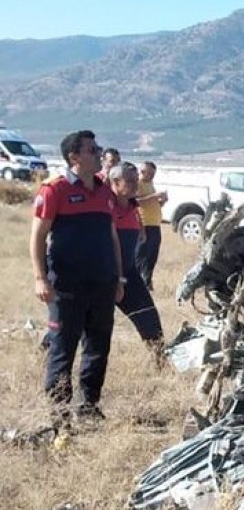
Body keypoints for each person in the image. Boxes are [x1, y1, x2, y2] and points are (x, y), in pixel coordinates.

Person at [30, 130, 124, 422]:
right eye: (92, 149)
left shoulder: (104, 190)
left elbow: (112, 237)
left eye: (97, 148)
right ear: (74, 156)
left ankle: (89, 407)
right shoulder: (53, 190)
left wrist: (119, 278)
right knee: (62, 350)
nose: (98, 153)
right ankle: (59, 417)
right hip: (66, 287)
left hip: (102, 284)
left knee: (98, 348)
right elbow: (37, 236)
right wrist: (40, 278)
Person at [107, 164, 166, 362]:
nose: (136, 185)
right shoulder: (104, 206)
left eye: (136, 180)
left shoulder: (133, 207)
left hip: (129, 274)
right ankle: (47, 347)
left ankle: (161, 361)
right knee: (78, 324)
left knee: (148, 317)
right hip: (104, 275)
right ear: (115, 182)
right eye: (130, 181)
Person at [135, 160, 168, 291]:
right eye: (149, 173)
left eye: (153, 174)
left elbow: (151, 202)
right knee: (141, 256)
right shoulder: (137, 184)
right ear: (142, 172)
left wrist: (161, 202)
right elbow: (136, 201)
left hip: (154, 224)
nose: (151, 176)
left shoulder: (150, 184)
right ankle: (138, 283)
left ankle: (147, 282)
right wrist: (155, 196)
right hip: (144, 224)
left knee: (152, 256)